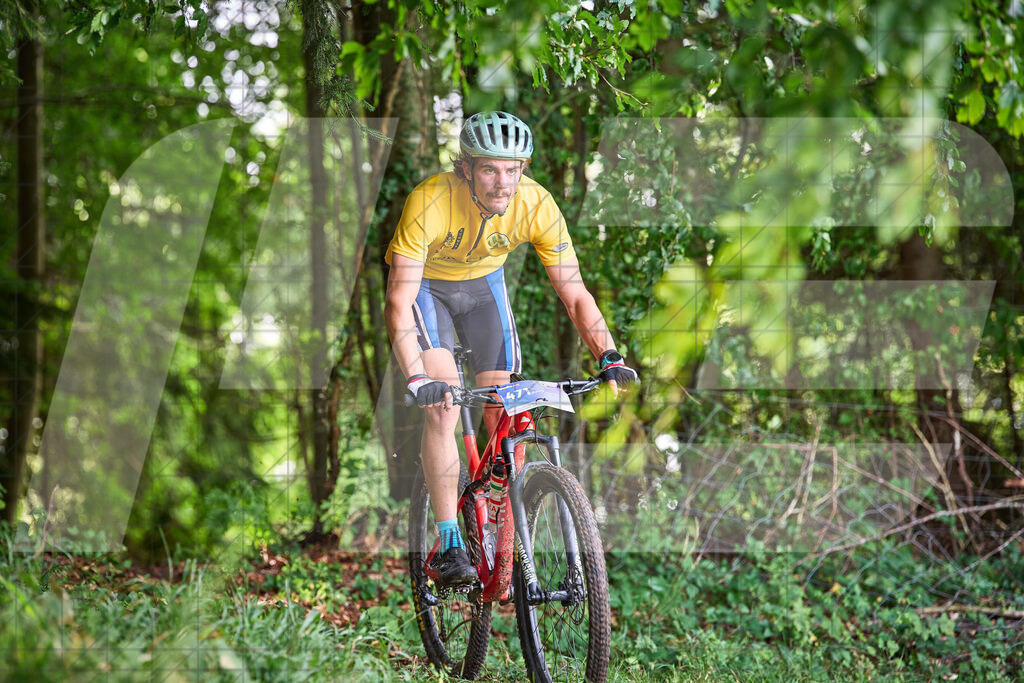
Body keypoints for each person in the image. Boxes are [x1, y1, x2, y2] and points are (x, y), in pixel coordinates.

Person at [384, 111, 638, 587]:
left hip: (485, 291)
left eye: (513, 169)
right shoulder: (429, 201)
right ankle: (449, 542)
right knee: (443, 405)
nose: (503, 182)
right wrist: (417, 376)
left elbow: (574, 292)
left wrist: (609, 355)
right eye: (489, 169)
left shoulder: (536, 203)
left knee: (505, 407)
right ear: (466, 168)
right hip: (427, 290)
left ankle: (502, 524)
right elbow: (399, 300)